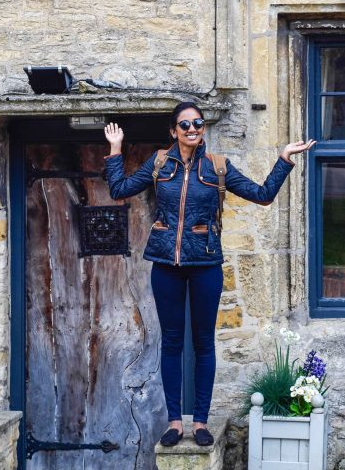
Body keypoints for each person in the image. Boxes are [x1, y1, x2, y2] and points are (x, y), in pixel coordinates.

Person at [104, 101, 314, 448]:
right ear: (174, 131)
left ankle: (200, 421)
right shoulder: (159, 163)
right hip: (166, 266)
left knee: (203, 344)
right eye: (185, 125)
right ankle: (175, 423)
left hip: (205, 266)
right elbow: (118, 190)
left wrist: (284, 159)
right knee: (172, 343)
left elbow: (262, 195)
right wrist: (115, 150)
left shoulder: (218, 167)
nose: (192, 129)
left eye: (198, 124)